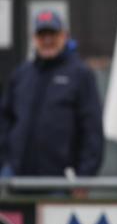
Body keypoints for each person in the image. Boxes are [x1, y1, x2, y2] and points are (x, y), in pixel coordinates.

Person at [0, 10, 103, 178]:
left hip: (59, 180)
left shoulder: (80, 74)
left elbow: (92, 129)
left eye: (52, 34)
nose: (47, 40)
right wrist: (4, 162)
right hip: (15, 175)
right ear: (33, 38)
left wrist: (85, 175)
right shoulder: (21, 74)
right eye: (42, 35)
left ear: (64, 36)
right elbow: (4, 120)